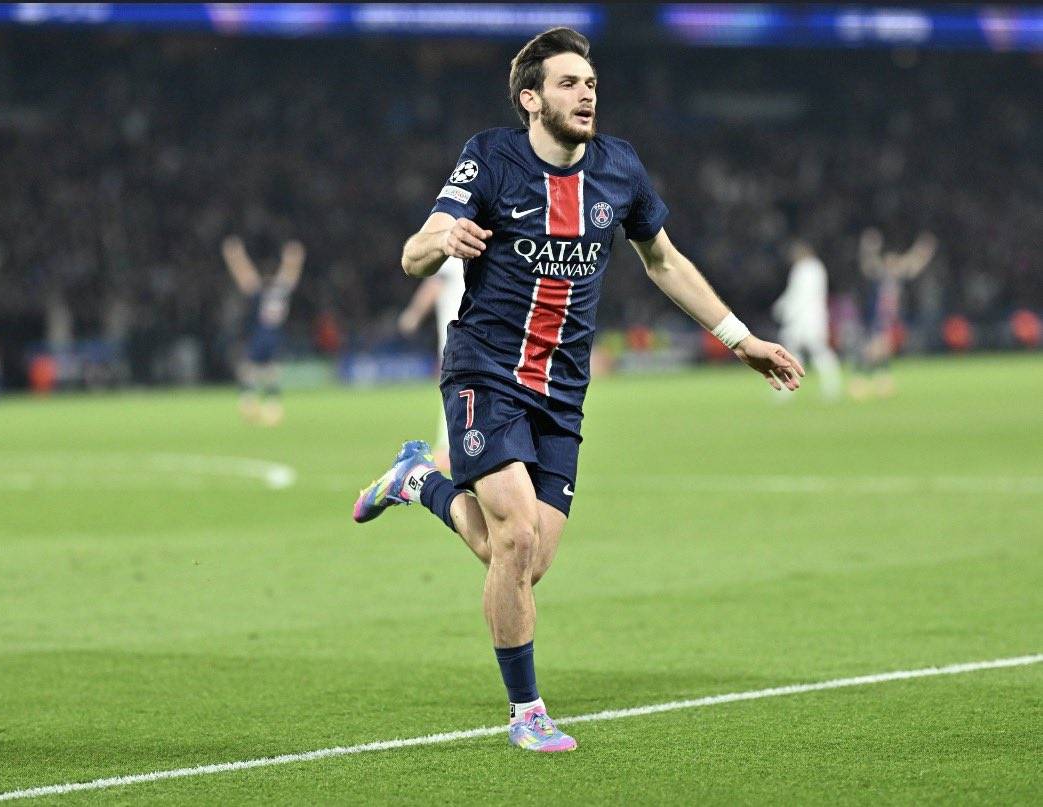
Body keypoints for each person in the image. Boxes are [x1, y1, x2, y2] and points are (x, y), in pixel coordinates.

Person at [352, 28, 804, 753]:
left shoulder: (619, 168)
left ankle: (418, 480)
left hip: (562, 391)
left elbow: (663, 260)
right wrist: (443, 241)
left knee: (525, 561)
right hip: (485, 372)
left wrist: (739, 338)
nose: (586, 93)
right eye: (567, 83)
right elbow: (413, 253)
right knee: (514, 534)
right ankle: (526, 711)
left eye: (590, 82)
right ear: (531, 99)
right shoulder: (489, 158)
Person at [221, 236, 306, 425]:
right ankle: (270, 406)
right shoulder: (281, 290)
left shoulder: (262, 292)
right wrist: (294, 258)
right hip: (274, 335)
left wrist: (235, 255)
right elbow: (290, 274)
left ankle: (250, 403)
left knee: (252, 370)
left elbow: (244, 275)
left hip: (261, 334)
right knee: (270, 371)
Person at [850, 228, 937, 400]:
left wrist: (923, 249)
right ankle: (860, 382)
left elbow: (913, 263)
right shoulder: (880, 275)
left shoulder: (896, 277)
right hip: (877, 317)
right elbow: (868, 264)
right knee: (873, 350)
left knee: (882, 350)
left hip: (889, 319)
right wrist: (868, 248)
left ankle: (881, 382)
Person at [397, 256, 466, 471]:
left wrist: (414, 314)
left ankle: (449, 447)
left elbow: (434, 285)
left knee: (452, 390)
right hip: (477, 336)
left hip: (456, 336)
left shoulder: (453, 253)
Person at [771, 238, 843, 400]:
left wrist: (784, 310)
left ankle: (831, 385)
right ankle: (789, 388)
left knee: (816, 351)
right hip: (809, 319)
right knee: (794, 353)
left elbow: (799, 295)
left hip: (807, 319)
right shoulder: (816, 268)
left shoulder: (806, 269)